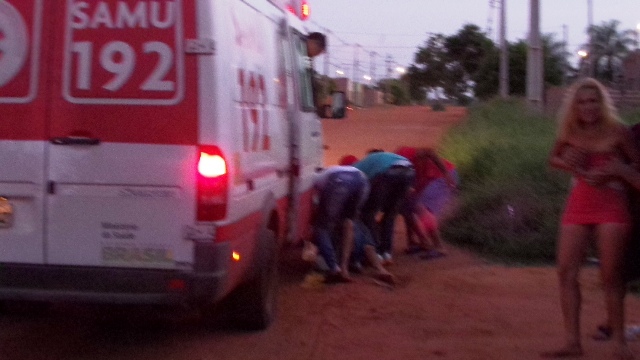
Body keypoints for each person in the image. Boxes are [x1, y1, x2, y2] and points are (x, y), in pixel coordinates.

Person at [543, 78, 640, 360]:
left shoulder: (619, 132)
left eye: (593, 100)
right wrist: (569, 163)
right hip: (580, 203)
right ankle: (572, 342)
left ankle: (619, 344)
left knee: (611, 275)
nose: (588, 107)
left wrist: (617, 169)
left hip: (611, 204)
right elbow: (553, 159)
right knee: (565, 271)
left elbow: (636, 166)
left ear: (602, 103)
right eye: (582, 101)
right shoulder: (570, 131)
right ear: (574, 106)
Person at [353, 151, 416, 265]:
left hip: (387, 173)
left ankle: (376, 252)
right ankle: (387, 253)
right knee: (390, 214)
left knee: (368, 214)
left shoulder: (356, 167)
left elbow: (355, 188)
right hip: (409, 171)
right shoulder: (381, 157)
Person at [312, 158, 369, 283]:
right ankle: (346, 266)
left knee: (322, 227)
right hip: (361, 181)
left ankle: (334, 267)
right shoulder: (332, 170)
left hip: (338, 181)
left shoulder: (317, 177)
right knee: (349, 223)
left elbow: (317, 202)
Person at [394, 146, 457, 258]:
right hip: (429, 178)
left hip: (441, 176)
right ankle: (417, 242)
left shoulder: (403, 156)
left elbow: (430, 152)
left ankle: (439, 247)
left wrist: (446, 174)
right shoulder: (397, 168)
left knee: (421, 207)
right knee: (407, 206)